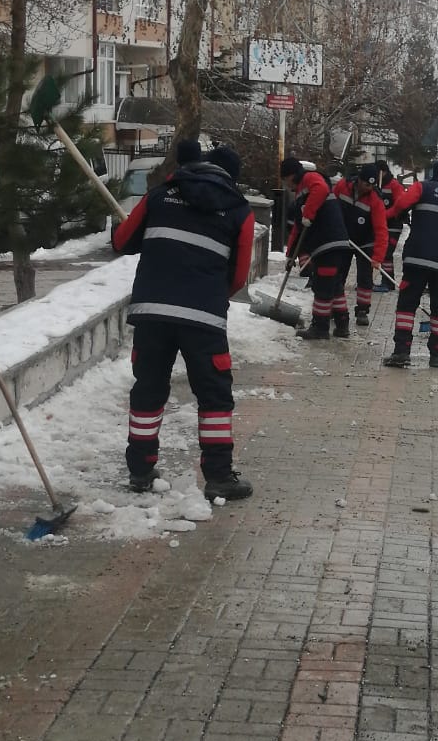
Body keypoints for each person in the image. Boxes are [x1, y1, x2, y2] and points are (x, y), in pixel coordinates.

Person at [111, 139, 255, 501]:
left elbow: (122, 241)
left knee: (149, 389)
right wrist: (211, 295)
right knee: (214, 396)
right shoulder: (239, 211)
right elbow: (238, 276)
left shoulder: (160, 195)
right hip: (204, 317)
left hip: (152, 313)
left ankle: (140, 471)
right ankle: (219, 477)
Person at [383, 157, 438, 369]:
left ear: (433, 172)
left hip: (419, 257)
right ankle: (437, 355)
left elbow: (401, 203)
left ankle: (401, 352)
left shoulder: (423, 187)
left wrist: (388, 215)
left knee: (407, 304)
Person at [281, 155, 354, 338]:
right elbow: (298, 229)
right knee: (335, 287)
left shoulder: (310, 178)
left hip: (328, 243)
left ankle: (320, 328)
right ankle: (342, 325)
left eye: (285, 179)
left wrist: (309, 213)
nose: (285, 184)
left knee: (322, 287)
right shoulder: (300, 194)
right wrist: (290, 255)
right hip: (333, 244)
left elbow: (321, 189)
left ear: (291, 175)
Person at [331, 161, 390, 325]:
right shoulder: (342, 186)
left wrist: (377, 257)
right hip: (343, 237)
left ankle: (363, 309)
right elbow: (331, 206)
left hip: (365, 242)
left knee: (365, 278)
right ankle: (335, 306)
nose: (368, 188)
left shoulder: (375, 199)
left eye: (371, 185)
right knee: (339, 273)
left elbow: (381, 230)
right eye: (365, 184)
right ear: (359, 180)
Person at [376, 160, 405, 290]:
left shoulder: (394, 185)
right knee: (382, 253)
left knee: (387, 253)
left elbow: (398, 206)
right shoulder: (376, 185)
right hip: (380, 225)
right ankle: (387, 280)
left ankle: (387, 282)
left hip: (393, 225)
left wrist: (383, 215)